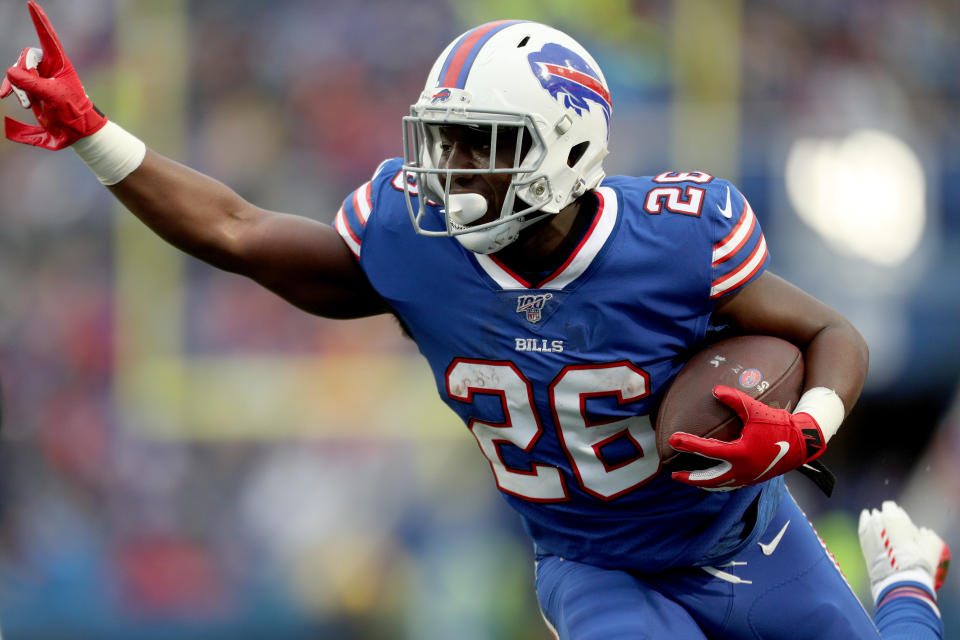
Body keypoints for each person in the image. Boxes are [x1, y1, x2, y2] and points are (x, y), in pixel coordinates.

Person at [0, 3, 949, 638]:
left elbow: (836, 336)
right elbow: (240, 231)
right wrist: (95, 135)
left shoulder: (672, 240)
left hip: (743, 534)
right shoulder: (414, 242)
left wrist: (805, 426)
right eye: (440, 142)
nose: (446, 170)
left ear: (565, 148)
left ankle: (904, 580)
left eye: (477, 146)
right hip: (592, 561)